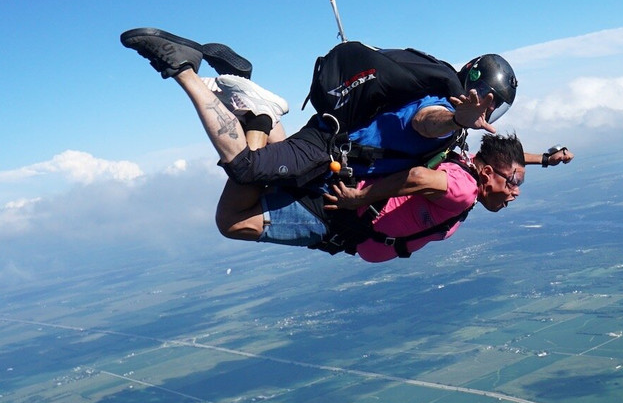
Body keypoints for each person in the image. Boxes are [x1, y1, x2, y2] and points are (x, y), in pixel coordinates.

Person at [120, 28, 572, 260]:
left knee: (264, 167)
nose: (515, 191)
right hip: (342, 200)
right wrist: (455, 118)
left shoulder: (466, 159)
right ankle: (185, 71)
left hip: (339, 166)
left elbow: (496, 162)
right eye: (514, 183)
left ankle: (253, 103)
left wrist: (543, 159)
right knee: (240, 187)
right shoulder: (451, 143)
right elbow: (425, 131)